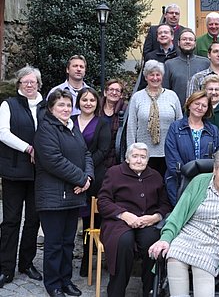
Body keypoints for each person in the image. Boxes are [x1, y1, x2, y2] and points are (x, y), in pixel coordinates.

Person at [148, 146, 219, 297]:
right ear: (215, 169)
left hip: (217, 241)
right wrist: (165, 239)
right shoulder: (199, 182)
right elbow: (178, 215)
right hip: (188, 236)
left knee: (202, 265)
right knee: (174, 258)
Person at [34, 88, 94, 297]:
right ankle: (53, 284)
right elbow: (54, 160)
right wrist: (81, 178)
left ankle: (66, 280)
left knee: (68, 242)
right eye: (61, 105)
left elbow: (86, 153)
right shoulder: (46, 129)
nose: (66, 108)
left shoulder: (71, 127)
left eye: (69, 105)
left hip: (74, 195)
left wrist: (88, 178)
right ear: (51, 108)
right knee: (54, 244)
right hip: (53, 198)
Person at [97, 142, 171, 297]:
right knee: (123, 242)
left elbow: (165, 204)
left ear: (148, 159)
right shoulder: (114, 172)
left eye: (143, 157)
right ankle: (116, 292)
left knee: (153, 242)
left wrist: (155, 217)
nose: (139, 160)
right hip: (118, 223)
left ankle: (151, 291)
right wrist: (124, 215)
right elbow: (103, 201)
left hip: (147, 223)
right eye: (135, 156)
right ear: (127, 158)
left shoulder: (155, 176)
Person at [0, 66, 46, 288]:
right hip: (15, 171)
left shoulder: (46, 106)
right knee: (11, 220)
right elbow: (3, 132)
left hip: (39, 173)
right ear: (19, 84)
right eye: (24, 82)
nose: (29, 85)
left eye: (33, 82)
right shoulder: (9, 105)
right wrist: (29, 148)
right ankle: (5, 268)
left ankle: (26, 263)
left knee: (33, 220)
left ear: (38, 84)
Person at [72, 87, 111, 277]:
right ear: (78, 101)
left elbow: (103, 151)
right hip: (69, 177)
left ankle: (87, 261)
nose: (88, 103)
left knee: (90, 221)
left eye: (92, 100)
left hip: (93, 177)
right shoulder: (69, 121)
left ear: (97, 103)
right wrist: (73, 173)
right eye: (84, 100)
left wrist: (84, 173)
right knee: (69, 219)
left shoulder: (102, 123)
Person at [165, 90, 219, 206]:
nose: (200, 107)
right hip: (179, 181)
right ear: (189, 104)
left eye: (204, 105)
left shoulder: (213, 130)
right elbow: (172, 155)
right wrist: (186, 175)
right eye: (197, 103)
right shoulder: (175, 127)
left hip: (206, 183)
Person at [127, 60, 183, 178]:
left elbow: (180, 122)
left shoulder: (172, 96)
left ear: (162, 77)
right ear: (146, 77)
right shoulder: (137, 97)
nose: (155, 78)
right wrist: (131, 151)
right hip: (143, 152)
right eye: (151, 74)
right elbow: (131, 125)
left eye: (158, 74)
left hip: (168, 150)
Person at [163, 28, 210, 106]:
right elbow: (165, 91)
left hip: (201, 110)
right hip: (177, 110)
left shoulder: (205, 63)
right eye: (184, 39)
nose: (187, 41)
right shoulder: (169, 64)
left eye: (190, 39)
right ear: (178, 43)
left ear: (195, 43)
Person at [100, 79, 128, 168]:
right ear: (105, 92)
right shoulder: (96, 108)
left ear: (121, 95)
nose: (114, 92)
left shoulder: (125, 110)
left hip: (115, 156)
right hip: (98, 154)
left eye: (117, 90)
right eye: (111, 89)